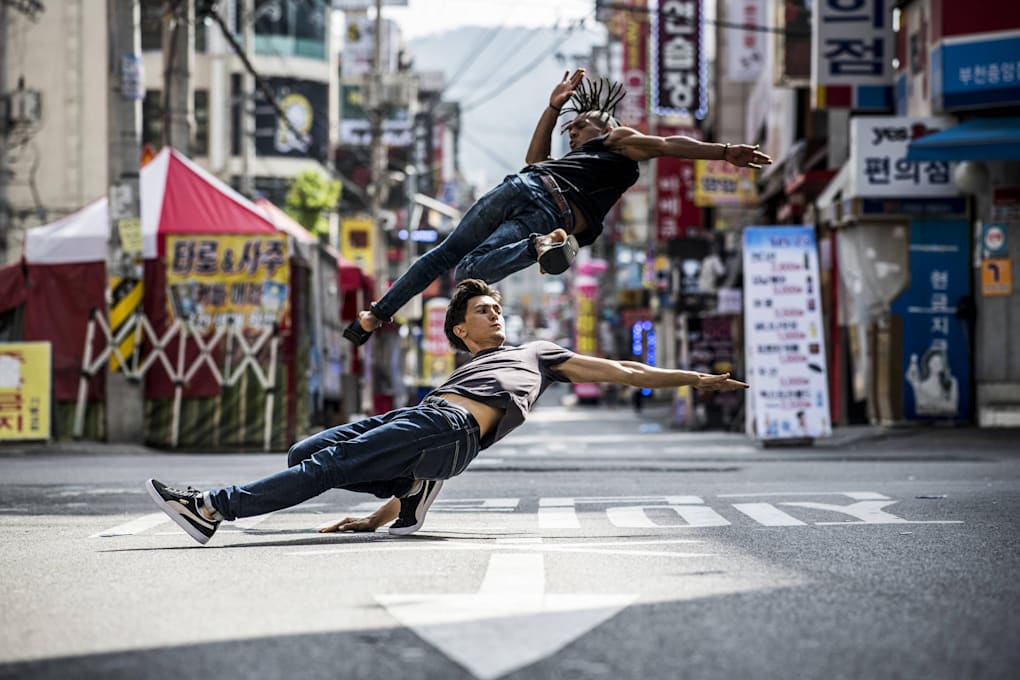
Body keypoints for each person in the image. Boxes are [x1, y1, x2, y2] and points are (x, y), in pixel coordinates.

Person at [147, 279, 749, 544]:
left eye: (496, 308)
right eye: (482, 312)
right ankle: (411, 492)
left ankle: (211, 509)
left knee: (328, 466)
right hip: (427, 422)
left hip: (450, 428)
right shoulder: (461, 368)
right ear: (461, 331)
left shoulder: (538, 354)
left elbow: (626, 371)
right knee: (307, 453)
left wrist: (696, 378)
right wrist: (382, 517)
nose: (494, 315)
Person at [343, 70, 772, 345]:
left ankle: (536, 248)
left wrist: (724, 150)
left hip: (545, 208)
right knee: (444, 259)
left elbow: (666, 145)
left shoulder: (618, 141)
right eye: (570, 128)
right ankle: (376, 314)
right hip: (523, 187)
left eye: (579, 124)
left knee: (463, 272)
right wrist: (553, 107)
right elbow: (534, 160)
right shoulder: (576, 157)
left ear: (606, 122)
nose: (573, 132)